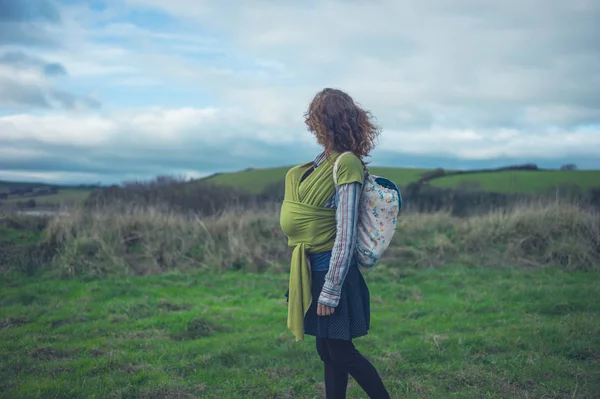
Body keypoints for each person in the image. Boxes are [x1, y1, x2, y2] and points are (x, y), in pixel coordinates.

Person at [280, 88, 391, 399]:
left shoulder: (346, 163)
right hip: (310, 267)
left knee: (341, 351)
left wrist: (331, 288)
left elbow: (346, 231)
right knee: (328, 351)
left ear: (324, 122)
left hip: (332, 270)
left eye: (316, 119)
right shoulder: (321, 161)